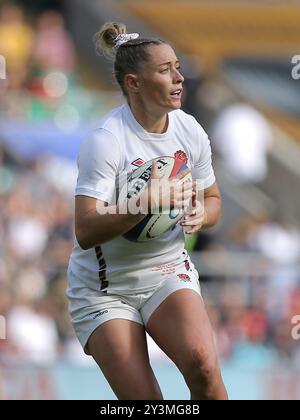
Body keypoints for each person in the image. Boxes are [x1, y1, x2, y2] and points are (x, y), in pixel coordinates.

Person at [67, 21, 228, 400]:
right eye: (164, 69)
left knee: (204, 366)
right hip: (105, 289)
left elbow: (214, 200)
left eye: (177, 66)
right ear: (134, 83)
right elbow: (85, 230)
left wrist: (202, 216)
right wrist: (145, 203)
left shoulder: (190, 130)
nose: (179, 77)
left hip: (167, 269)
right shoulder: (106, 141)